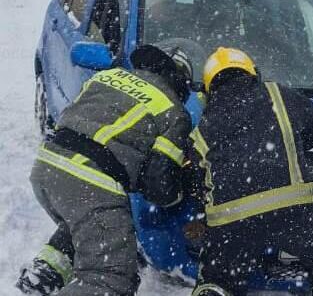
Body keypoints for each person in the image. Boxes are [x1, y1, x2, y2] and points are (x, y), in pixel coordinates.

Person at [16, 41, 197, 295]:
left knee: (86, 227)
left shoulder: (109, 76)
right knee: (110, 277)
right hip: (90, 180)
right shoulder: (175, 112)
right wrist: (179, 193)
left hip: (47, 167)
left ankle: (44, 274)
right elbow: (158, 183)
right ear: (181, 79)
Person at [189, 48, 313, 296]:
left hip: (232, 222)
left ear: (208, 90)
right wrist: (289, 142)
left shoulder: (204, 124)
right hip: (296, 211)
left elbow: (195, 177)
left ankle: (215, 288)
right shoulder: (278, 94)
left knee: (217, 278)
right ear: (254, 73)